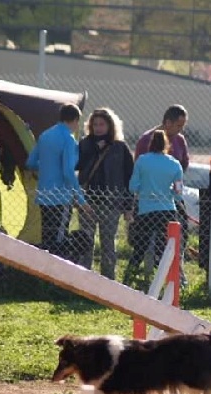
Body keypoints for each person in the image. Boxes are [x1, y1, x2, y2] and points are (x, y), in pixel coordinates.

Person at [134, 105, 190, 285]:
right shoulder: (146, 140)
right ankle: (148, 277)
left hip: (172, 201)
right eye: (178, 125)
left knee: (181, 235)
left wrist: (176, 192)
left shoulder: (180, 141)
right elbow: (139, 172)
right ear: (167, 122)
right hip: (148, 203)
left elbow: (183, 167)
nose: (181, 130)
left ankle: (175, 273)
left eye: (183, 126)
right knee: (146, 243)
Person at [77, 107, 134, 279]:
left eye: (102, 124)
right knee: (85, 240)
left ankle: (108, 279)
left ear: (110, 126)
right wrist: (96, 150)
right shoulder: (85, 144)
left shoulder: (120, 148)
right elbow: (78, 167)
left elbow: (128, 178)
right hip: (88, 201)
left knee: (108, 242)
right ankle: (83, 277)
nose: (98, 128)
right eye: (95, 124)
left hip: (112, 202)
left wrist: (128, 206)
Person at [122, 130, 183, 289]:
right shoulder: (175, 164)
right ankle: (172, 282)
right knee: (167, 249)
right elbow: (178, 193)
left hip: (146, 210)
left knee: (140, 247)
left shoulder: (142, 161)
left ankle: (128, 279)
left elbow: (132, 186)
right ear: (167, 145)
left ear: (151, 144)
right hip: (167, 210)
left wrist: (146, 191)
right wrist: (167, 193)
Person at [26, 103, 91, 251]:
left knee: (47, 237)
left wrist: (47, 167)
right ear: (75, 120)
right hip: (61, 197)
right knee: (59, 242)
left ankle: (42, 270)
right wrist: (81, 199)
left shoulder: (45, 135)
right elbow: (68, 171)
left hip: (43, 195)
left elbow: (30, 162)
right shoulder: (68, 139)